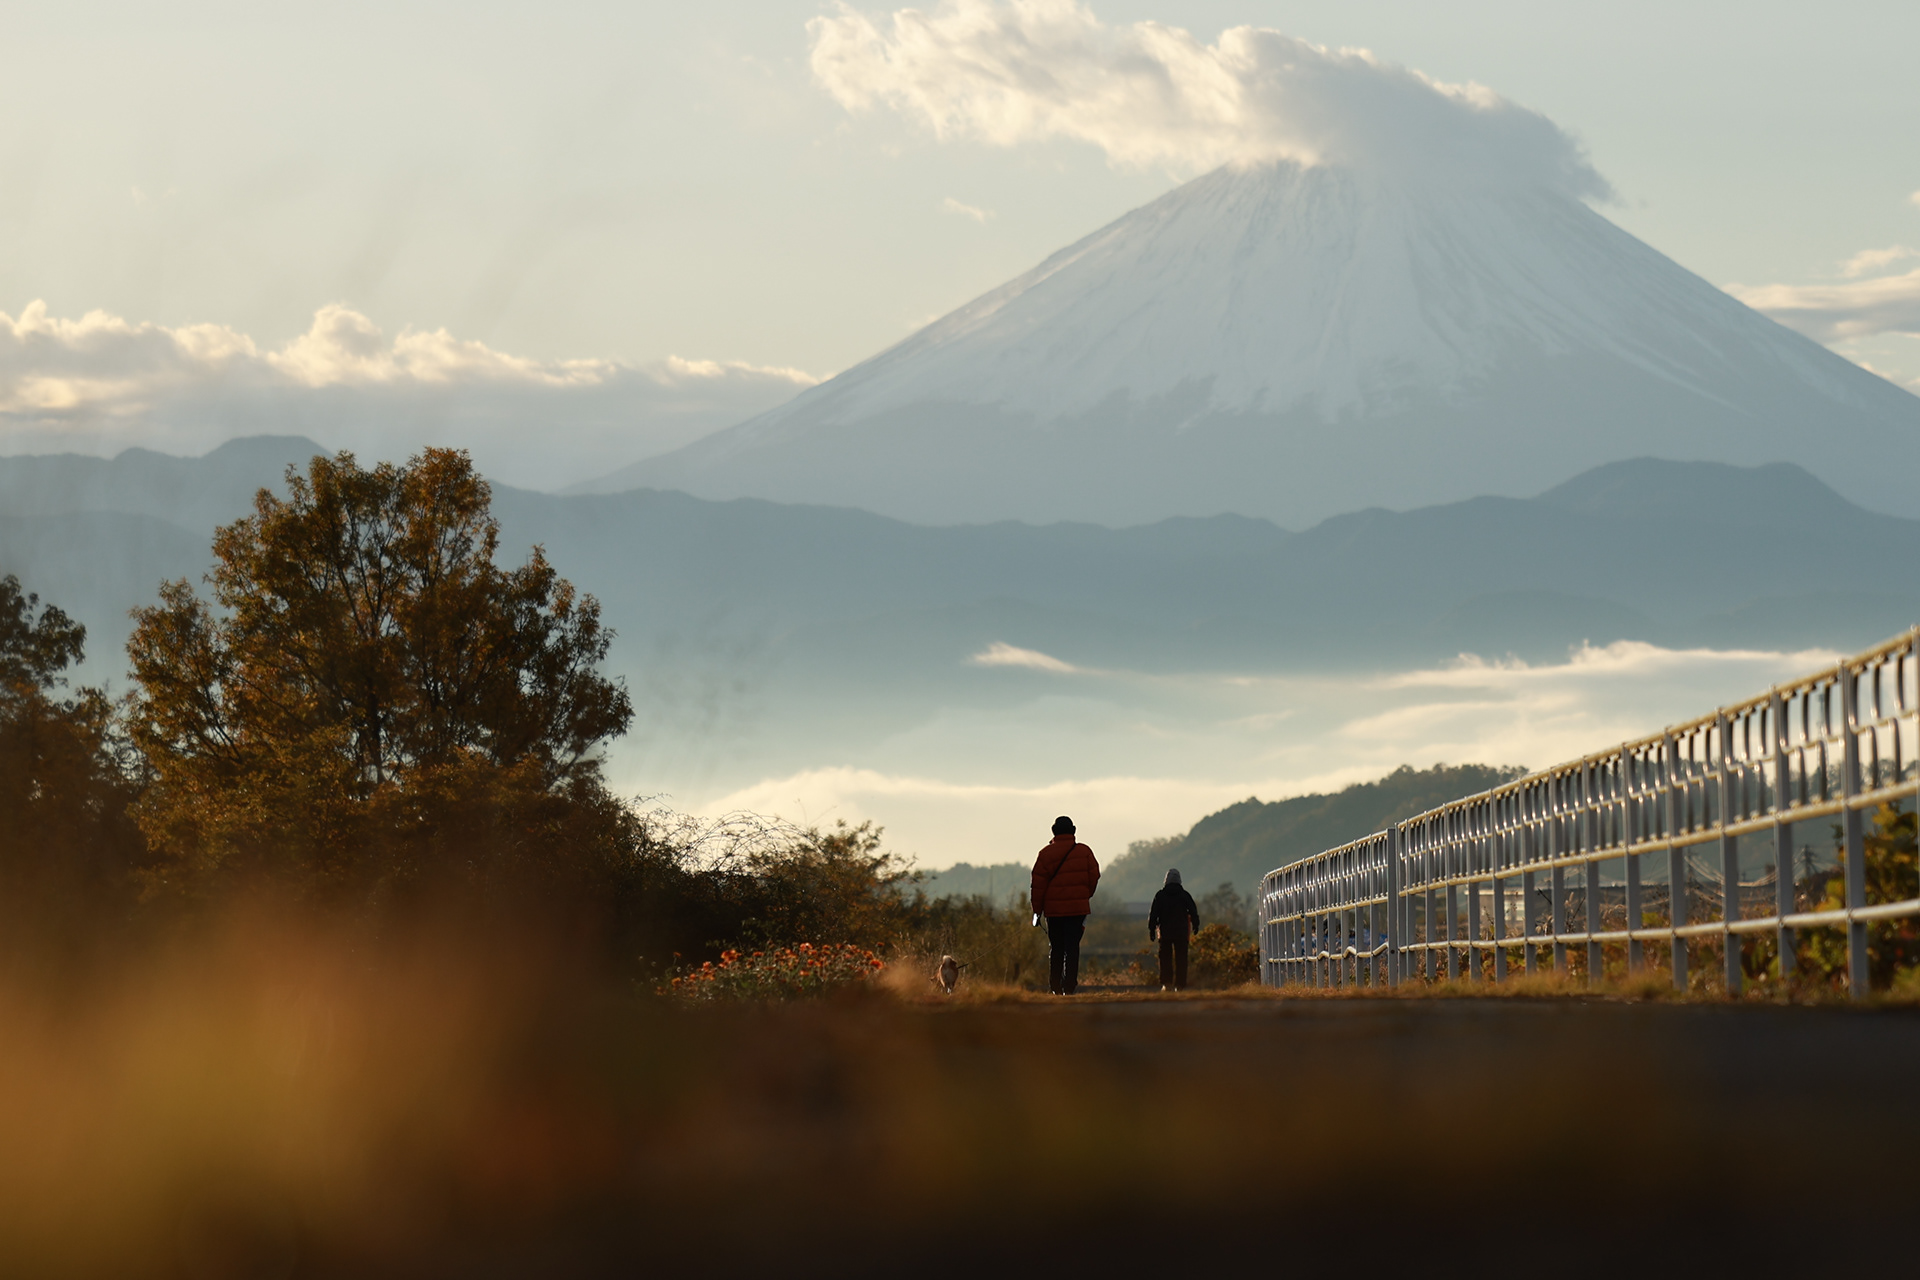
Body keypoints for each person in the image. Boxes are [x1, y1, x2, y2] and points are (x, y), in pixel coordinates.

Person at [1031, 815, 1100, 995]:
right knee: (1072, 948)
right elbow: (1094, 876)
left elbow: (1037, 886)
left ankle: (1055, 986)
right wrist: (1085, 895)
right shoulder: (1084, 852)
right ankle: (1069, 986)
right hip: (1077, 910)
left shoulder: (1045, 854)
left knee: (1056, 948)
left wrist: (1037, 911)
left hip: (1053, 912)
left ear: (1053, 832)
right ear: (1074, 831)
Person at [1147, 868, 1200, 992]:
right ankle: (1180, 985)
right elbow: (1193, 911)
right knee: (1181, 959)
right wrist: (1196, 924)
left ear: (1166, 880)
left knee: (1165, 959)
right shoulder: (1185, 895)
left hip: (1165, 933)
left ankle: (1167, 984)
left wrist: (1152, 929)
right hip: (1181, 933)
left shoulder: (1160, 896)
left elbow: (1154, 914)